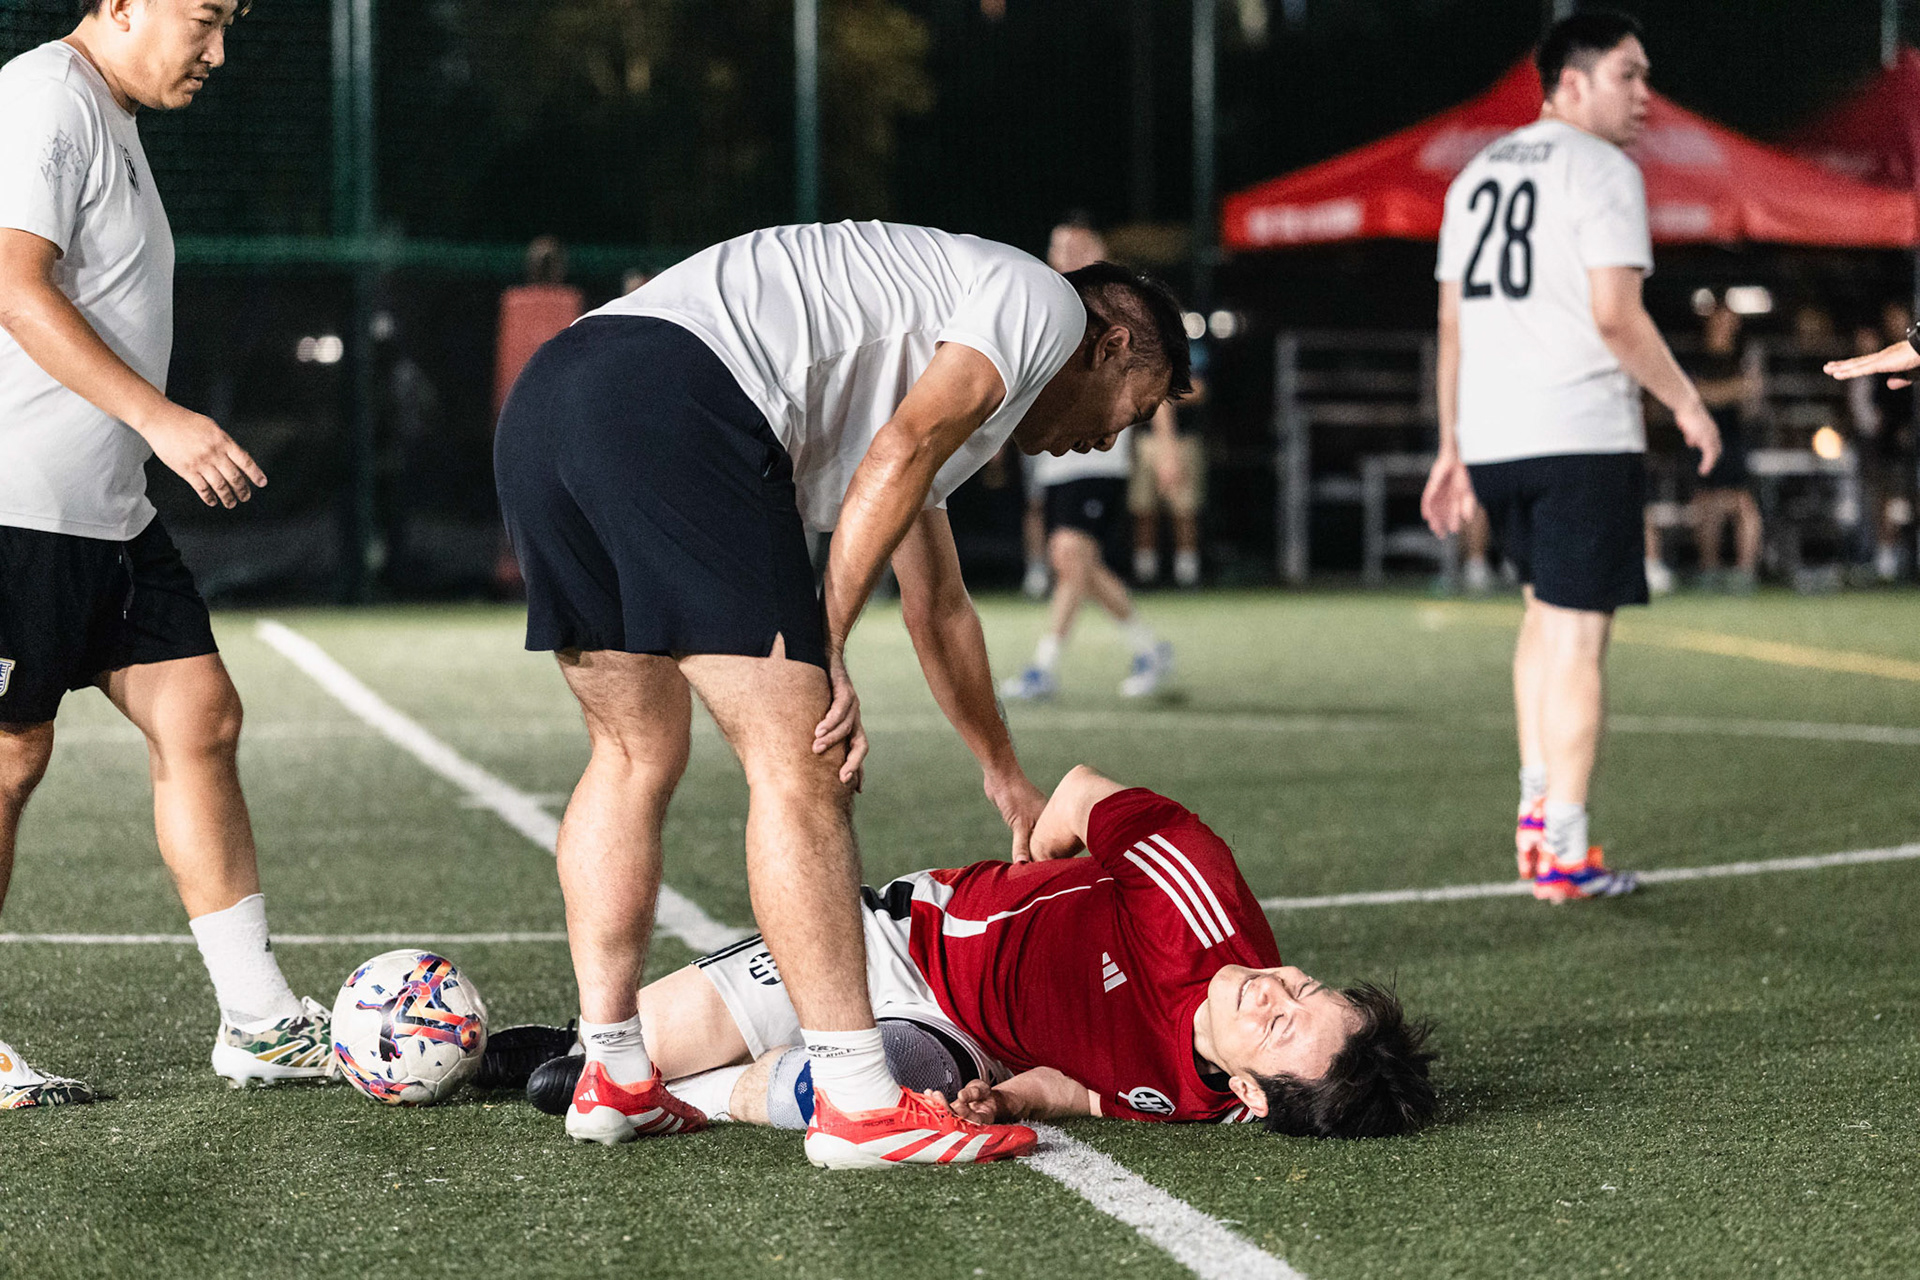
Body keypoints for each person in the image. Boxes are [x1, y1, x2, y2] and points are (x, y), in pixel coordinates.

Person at [492, 221, 1190, 1166]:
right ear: (1108, 346)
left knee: (631, 754)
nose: (1109, 437)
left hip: (556, 396)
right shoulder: (1044, 306)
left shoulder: (950, 343)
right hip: (673, 400)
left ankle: (614, 1072)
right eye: (1132, 408)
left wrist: (1004, 773)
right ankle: (860, 1102)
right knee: (805, 759)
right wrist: (826, 643)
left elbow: (938, 605)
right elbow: (896, 451)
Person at [0, 0, 335, 1109]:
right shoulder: (46, 95)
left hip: (104, 510)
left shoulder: (109, 112)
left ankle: (260, 1022)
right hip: (18, 504)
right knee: (6, 761)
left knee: (200, 715)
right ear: (122, 3)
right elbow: (11, 282)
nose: (220, 51)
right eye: (204, 20)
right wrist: (161, 418)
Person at [489, 766, 1437, 1142]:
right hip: (903, 939)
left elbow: (1085, 1091)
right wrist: (1035, 873)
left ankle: (672, 1102)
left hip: (961, 1048)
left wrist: (1009, 1095)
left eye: (1280, 1025)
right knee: (640, 1038)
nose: (1273, 988)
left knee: (835, 1095)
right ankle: (554, 1048)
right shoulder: (1196, 885)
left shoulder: (1196, 1099)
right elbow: (1073, 796)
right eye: (1303, 987)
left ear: (1251, 1097)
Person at [1421, 11, 1719, 903]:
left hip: (1497, 439)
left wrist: (1451, 445)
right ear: (1572, 81)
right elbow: (1616, 316)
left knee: (1542, 625)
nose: (1644, 95)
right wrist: (1688, 402)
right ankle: (1569, 850)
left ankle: (1535, 816)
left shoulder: (1474, 176)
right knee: (1580, 640)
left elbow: (1451, 322)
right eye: (1630, 75)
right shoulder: (1604, 170)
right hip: (1580, 434)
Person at [1000, 427, 1173, 700]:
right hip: (1055, 464)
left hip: (1098, 461)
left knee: (1069, 557)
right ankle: (1150, 649)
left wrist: (1167, 449)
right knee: (1079, 567)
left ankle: (1043, 668)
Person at [1017, 217, 1113, 599]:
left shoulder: (1115, 305)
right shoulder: (1044, 300)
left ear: (1098, 252)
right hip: (1053, 448)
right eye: (1059, 248)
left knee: (1070, 553)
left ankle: (1046, 658)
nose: (1065, 256)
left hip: (1097, 449)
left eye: (1076, 248)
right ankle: (1145, 644)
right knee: (1070, 555)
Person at [1686, 301, 1761, 591]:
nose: (1724, 324)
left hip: (1736, 438)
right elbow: (1693, 394)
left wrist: (1715, 393)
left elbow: (1753, 394)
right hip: (1701, 438)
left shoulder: (1744, 355)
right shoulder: (1696, 355)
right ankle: (1710, 571)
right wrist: (1734, 389)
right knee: (1707, 503)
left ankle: (1744, 573)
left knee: (1743, 505)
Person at [1131, 341, 1206, 587]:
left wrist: (1161, 392)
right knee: (1144, 510)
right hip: (1146, 441)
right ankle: (1146, 575)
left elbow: (1199, 389)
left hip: (1184, 441)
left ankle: (1187, 575)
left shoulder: (1191, 349)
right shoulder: (1139, 346)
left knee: (1184, 510)